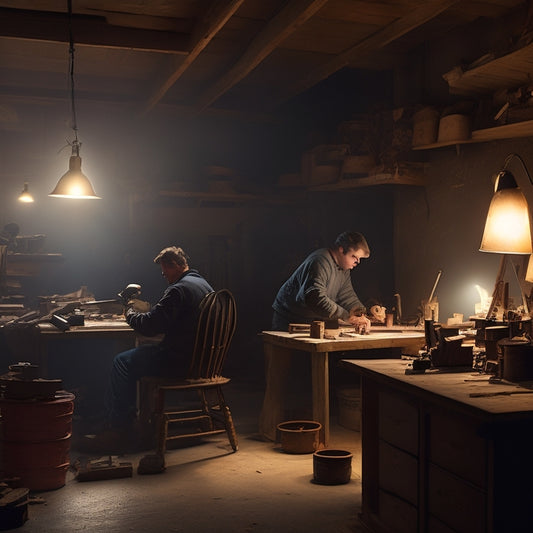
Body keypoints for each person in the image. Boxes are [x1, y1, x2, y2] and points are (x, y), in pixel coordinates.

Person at [83, 246, 214, 452]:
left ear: (175, 265)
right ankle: (120, 420)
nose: (163, 276)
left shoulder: (178, 289)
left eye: (165, 271)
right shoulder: (204, 285)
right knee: (138, 354)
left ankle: (120, 428)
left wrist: (130, 312)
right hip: (203, 361)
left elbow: (150, 327)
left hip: (179, 362)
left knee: (122, 361)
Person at [271, 231, 371, 332]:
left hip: (309, 320)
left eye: (359, 258)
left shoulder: (343, 269)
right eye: (354, 257)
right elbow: (315, 297)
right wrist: (346, 316)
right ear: (341, 250)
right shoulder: (320, 261)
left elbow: (347, 296)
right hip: (289, 318)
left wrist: (361, 314)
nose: (357, 262)